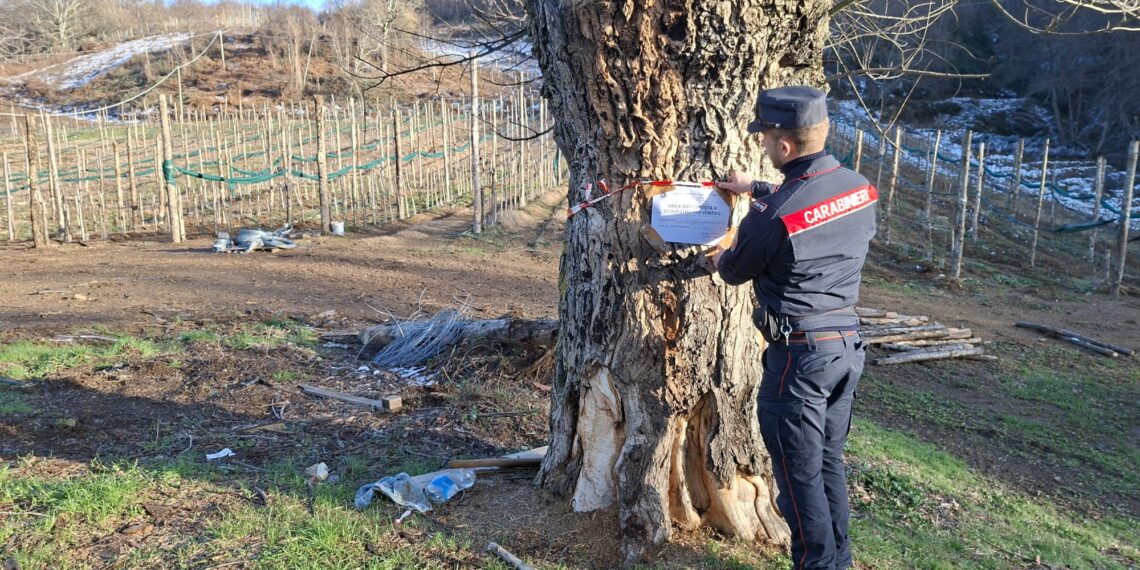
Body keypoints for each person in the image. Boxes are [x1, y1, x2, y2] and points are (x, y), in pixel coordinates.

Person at [713, 85, 877, 570]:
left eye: (764, 137)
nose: (762, 144)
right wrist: (757, 189)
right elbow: (808, 206)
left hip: (798, 363)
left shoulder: (771, 218)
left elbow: (734, 268)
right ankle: (838, 562)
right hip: (846, 350)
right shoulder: (859, 187)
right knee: (826, 466)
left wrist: (719, 255)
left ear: (783, 146)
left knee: (799, 480)